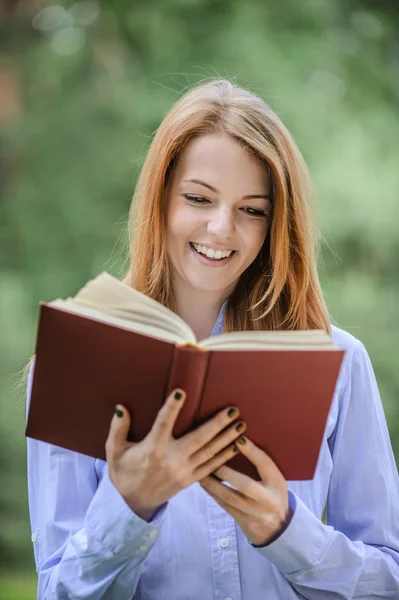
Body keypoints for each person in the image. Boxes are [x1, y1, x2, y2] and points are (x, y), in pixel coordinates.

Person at [26, 79, 399, 599]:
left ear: (276, 223)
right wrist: (129, 508)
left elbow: (388, 579)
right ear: (161, 199)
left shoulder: (338, 362)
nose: (221, 228)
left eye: (252, 209)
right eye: (199, 198)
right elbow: (56, 591)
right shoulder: (70, 366)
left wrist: (288, 533)